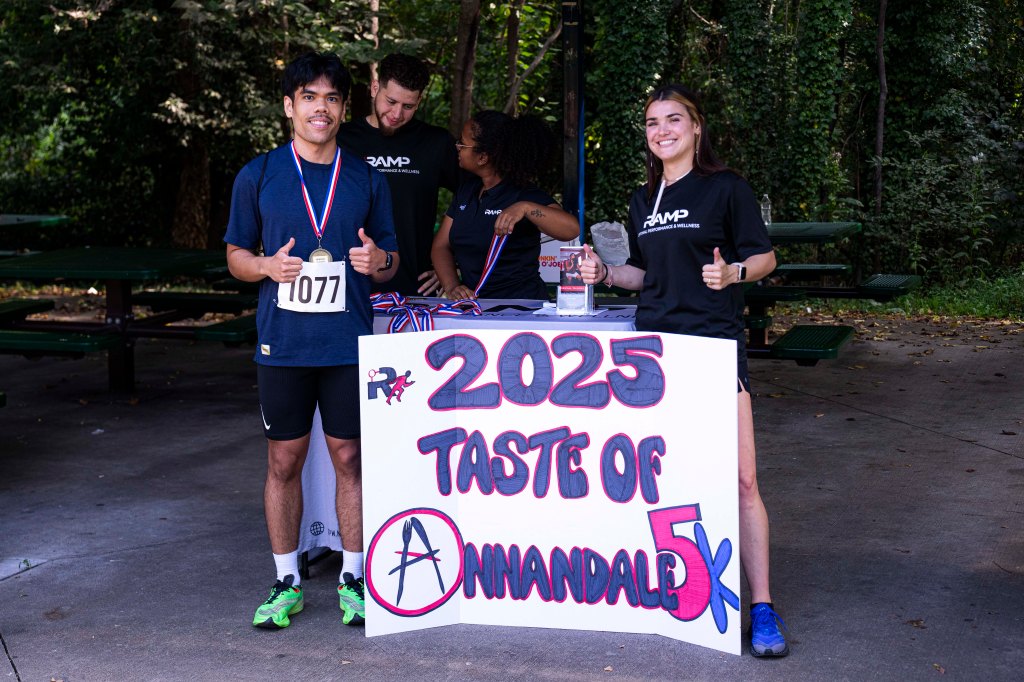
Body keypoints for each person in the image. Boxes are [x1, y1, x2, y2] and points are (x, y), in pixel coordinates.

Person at [579, 84, 788, 657]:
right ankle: (678, 590)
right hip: (655, 354)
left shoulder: (726, 188)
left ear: (696, 127)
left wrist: (734, 274)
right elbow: (645, 276)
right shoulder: (642, 200)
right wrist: (604, 273)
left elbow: (765, 257)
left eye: (674, 119)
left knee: (742, 481)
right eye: (652, 122)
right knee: (666, 479)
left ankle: (762, 607)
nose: (662, 130)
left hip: (713, 347)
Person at [223, 51, 399, 631]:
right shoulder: (258, 175)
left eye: (331, 98)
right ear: (288, 106)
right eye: (308, 97)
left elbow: (393, 260)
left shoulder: (366, 177)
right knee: (284, 459)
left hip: (347, 342)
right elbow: (235, 255)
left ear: (343, 109)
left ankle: (354, 578)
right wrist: (265, 267)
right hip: (284, 343)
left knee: (349, 456)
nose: (320, 108)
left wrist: (378, 261)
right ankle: (286, 581)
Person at [337, 53, 460, 297]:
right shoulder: (341, 140)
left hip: (415, 290)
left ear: (419, 101)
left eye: (408, 106)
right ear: (375, 88)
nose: (396, 114)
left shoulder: (435, 143)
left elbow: (476, 200)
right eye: (391, 101)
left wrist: (449, 264)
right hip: (347, 290)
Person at [432, 110, 579, 300]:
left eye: (462, 143)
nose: (457, 146)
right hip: (476, 308)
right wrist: (452, 286)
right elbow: (440, 246)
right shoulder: (466, 191)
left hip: (522, 309)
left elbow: (571, 229)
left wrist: (526, 208)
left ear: (483, 157)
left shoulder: (522, 193)